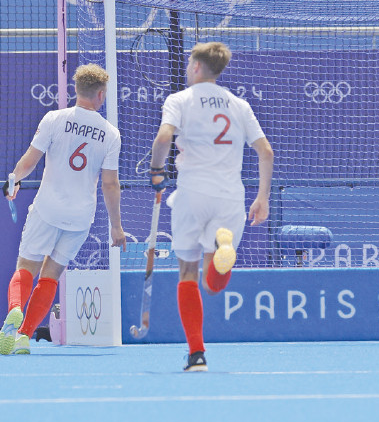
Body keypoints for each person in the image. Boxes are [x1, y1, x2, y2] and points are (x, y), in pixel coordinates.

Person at [149, 42, 274, 371]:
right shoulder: (239, 105)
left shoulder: (180, 100)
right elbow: (266, 152)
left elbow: (163, 138)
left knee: (188, 274)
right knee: (214, 284)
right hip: (230, 196)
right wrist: (262, 197)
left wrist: (156, 171)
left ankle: (197, 355)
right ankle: (223, 248)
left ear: (196, 68)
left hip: (192, 193)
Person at [0, 64, 126, 355]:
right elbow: (110, 184)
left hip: (47, 209)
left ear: (77, 90)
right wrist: (116, 227)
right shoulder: (111, 134)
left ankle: (15, 309)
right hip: (80, 217)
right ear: (101, 94)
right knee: (51, 275)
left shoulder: (54, 118)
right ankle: (24, 337)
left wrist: (12, 181)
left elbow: (29, 161)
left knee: (26, 267)